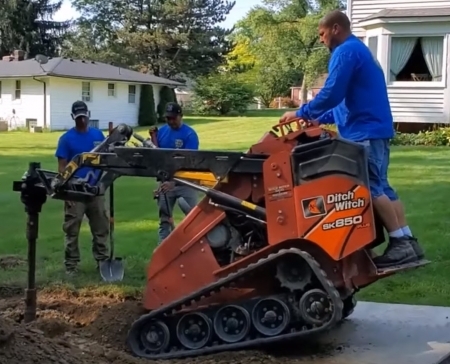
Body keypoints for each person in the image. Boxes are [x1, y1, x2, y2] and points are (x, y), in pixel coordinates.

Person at [279, 10, 424, 268]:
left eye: (322, 34)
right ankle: (408, 241)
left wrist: (300, 112)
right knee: (383, 186)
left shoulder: (345, 52)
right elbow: (342, 105)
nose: (322, 40)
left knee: (371, 187)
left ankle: (399, 244)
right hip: (375, 129)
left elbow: (332, 94)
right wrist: (316, 119)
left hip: (364, 132)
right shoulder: (359, 50)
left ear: (336, 28)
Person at [55, 101, 109, 275]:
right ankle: (71, 266)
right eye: (78, 118)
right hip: (75, 190)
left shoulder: (98, 135)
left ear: (89, 115)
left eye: (84, 117)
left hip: (95, 189)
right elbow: (62, 167)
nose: (82, 121)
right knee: (72, 229)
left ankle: (102, 261)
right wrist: (66, 191)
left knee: (101, 227)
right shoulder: (66, 139)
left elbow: (106, 160)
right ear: (73, 117)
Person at [154, 102, 199, 244]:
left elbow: (189, 163)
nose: (171, 121)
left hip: (186, 183)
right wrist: (160, 182)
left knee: (193, 217)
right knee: (164, 220)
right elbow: (157, 158)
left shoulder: (189, 134)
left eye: (174, 118)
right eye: (168, 118)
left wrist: (174, 182)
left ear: (181, 116)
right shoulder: (161, 132)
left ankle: (195, 245)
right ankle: (164, 251)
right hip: (165, 183)